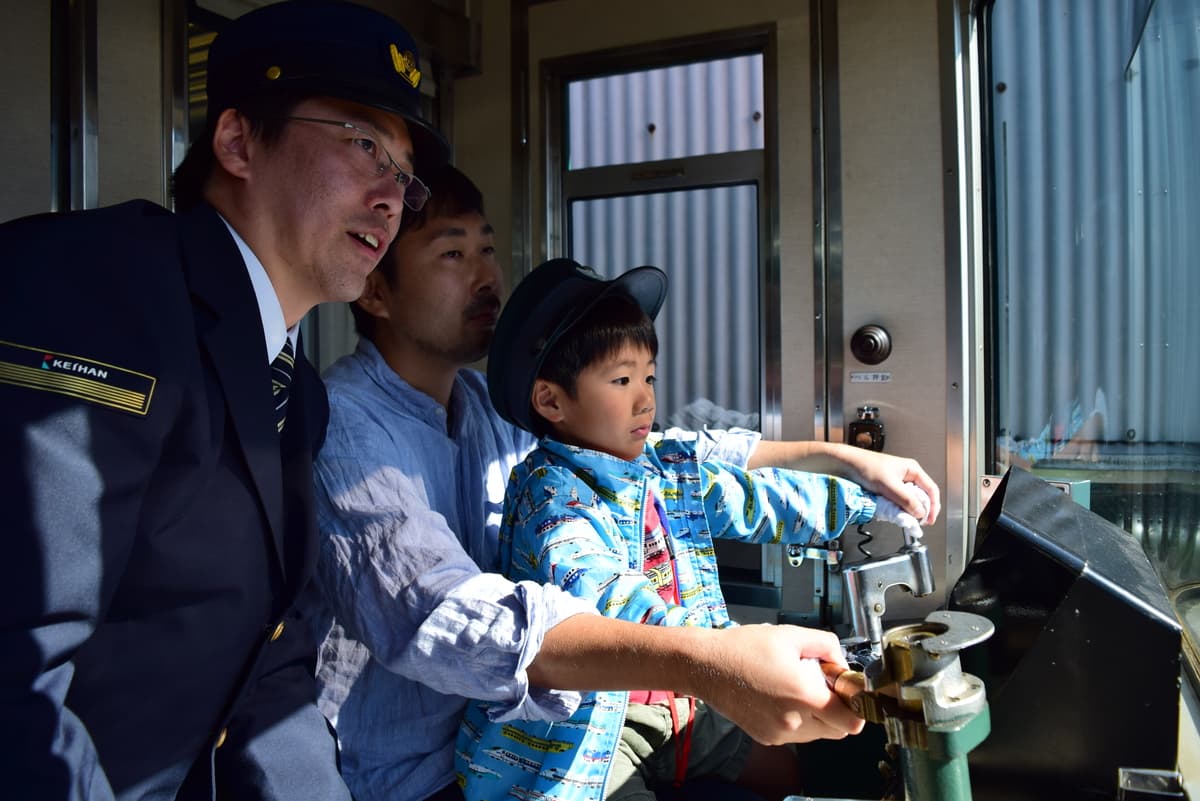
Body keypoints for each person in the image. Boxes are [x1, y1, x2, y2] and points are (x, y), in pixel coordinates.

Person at [312, 163, 941, 801]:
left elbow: (674, 460)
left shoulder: (488, 408)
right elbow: (440, 613)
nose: (486, 277)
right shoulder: (343, 425)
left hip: (571, 722)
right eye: (452, 252)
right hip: (434, 773)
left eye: (488, 249)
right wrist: (712, 661)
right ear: (375, 291)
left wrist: (844, 463)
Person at [0, 2, 448, 799]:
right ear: (238, 141)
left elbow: (268, 680)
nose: (391, 195)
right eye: (365, 144)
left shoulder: (295, 394)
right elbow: (16, 664)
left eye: (404, 175)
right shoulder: (100, 292)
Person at [453, 260, 927, 801]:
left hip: (681, 705)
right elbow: (611, 597)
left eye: (649, 376)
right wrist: (729, 655)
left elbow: (756, 498)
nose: (645, 399)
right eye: (621, 379)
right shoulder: (549, 493)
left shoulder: (661, 467)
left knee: (785, 768)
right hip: (590, 731)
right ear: (552, 401)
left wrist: (870, 504)